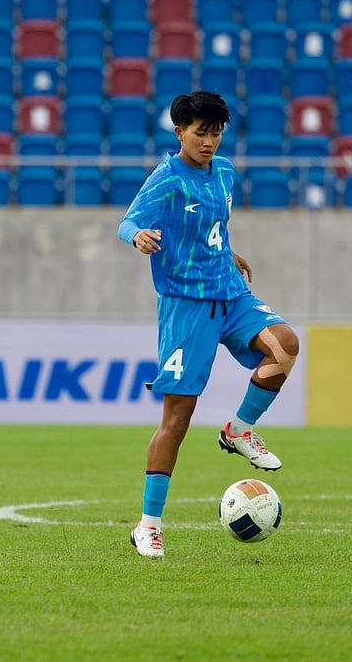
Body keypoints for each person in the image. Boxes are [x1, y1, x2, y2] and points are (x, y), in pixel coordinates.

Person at [117, 91, 300, 559]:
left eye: (216, 133)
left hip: (230, 292)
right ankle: (148, 526)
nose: (210, 142)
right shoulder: (168, 178)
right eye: (201, 132)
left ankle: (239, 430)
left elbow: (212, 226)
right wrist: (137, 236)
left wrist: (227, 252)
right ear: (179, 132)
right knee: (177, 419)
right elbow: (129, 221)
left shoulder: (224, 172)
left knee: (284, 346)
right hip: (186, 305)